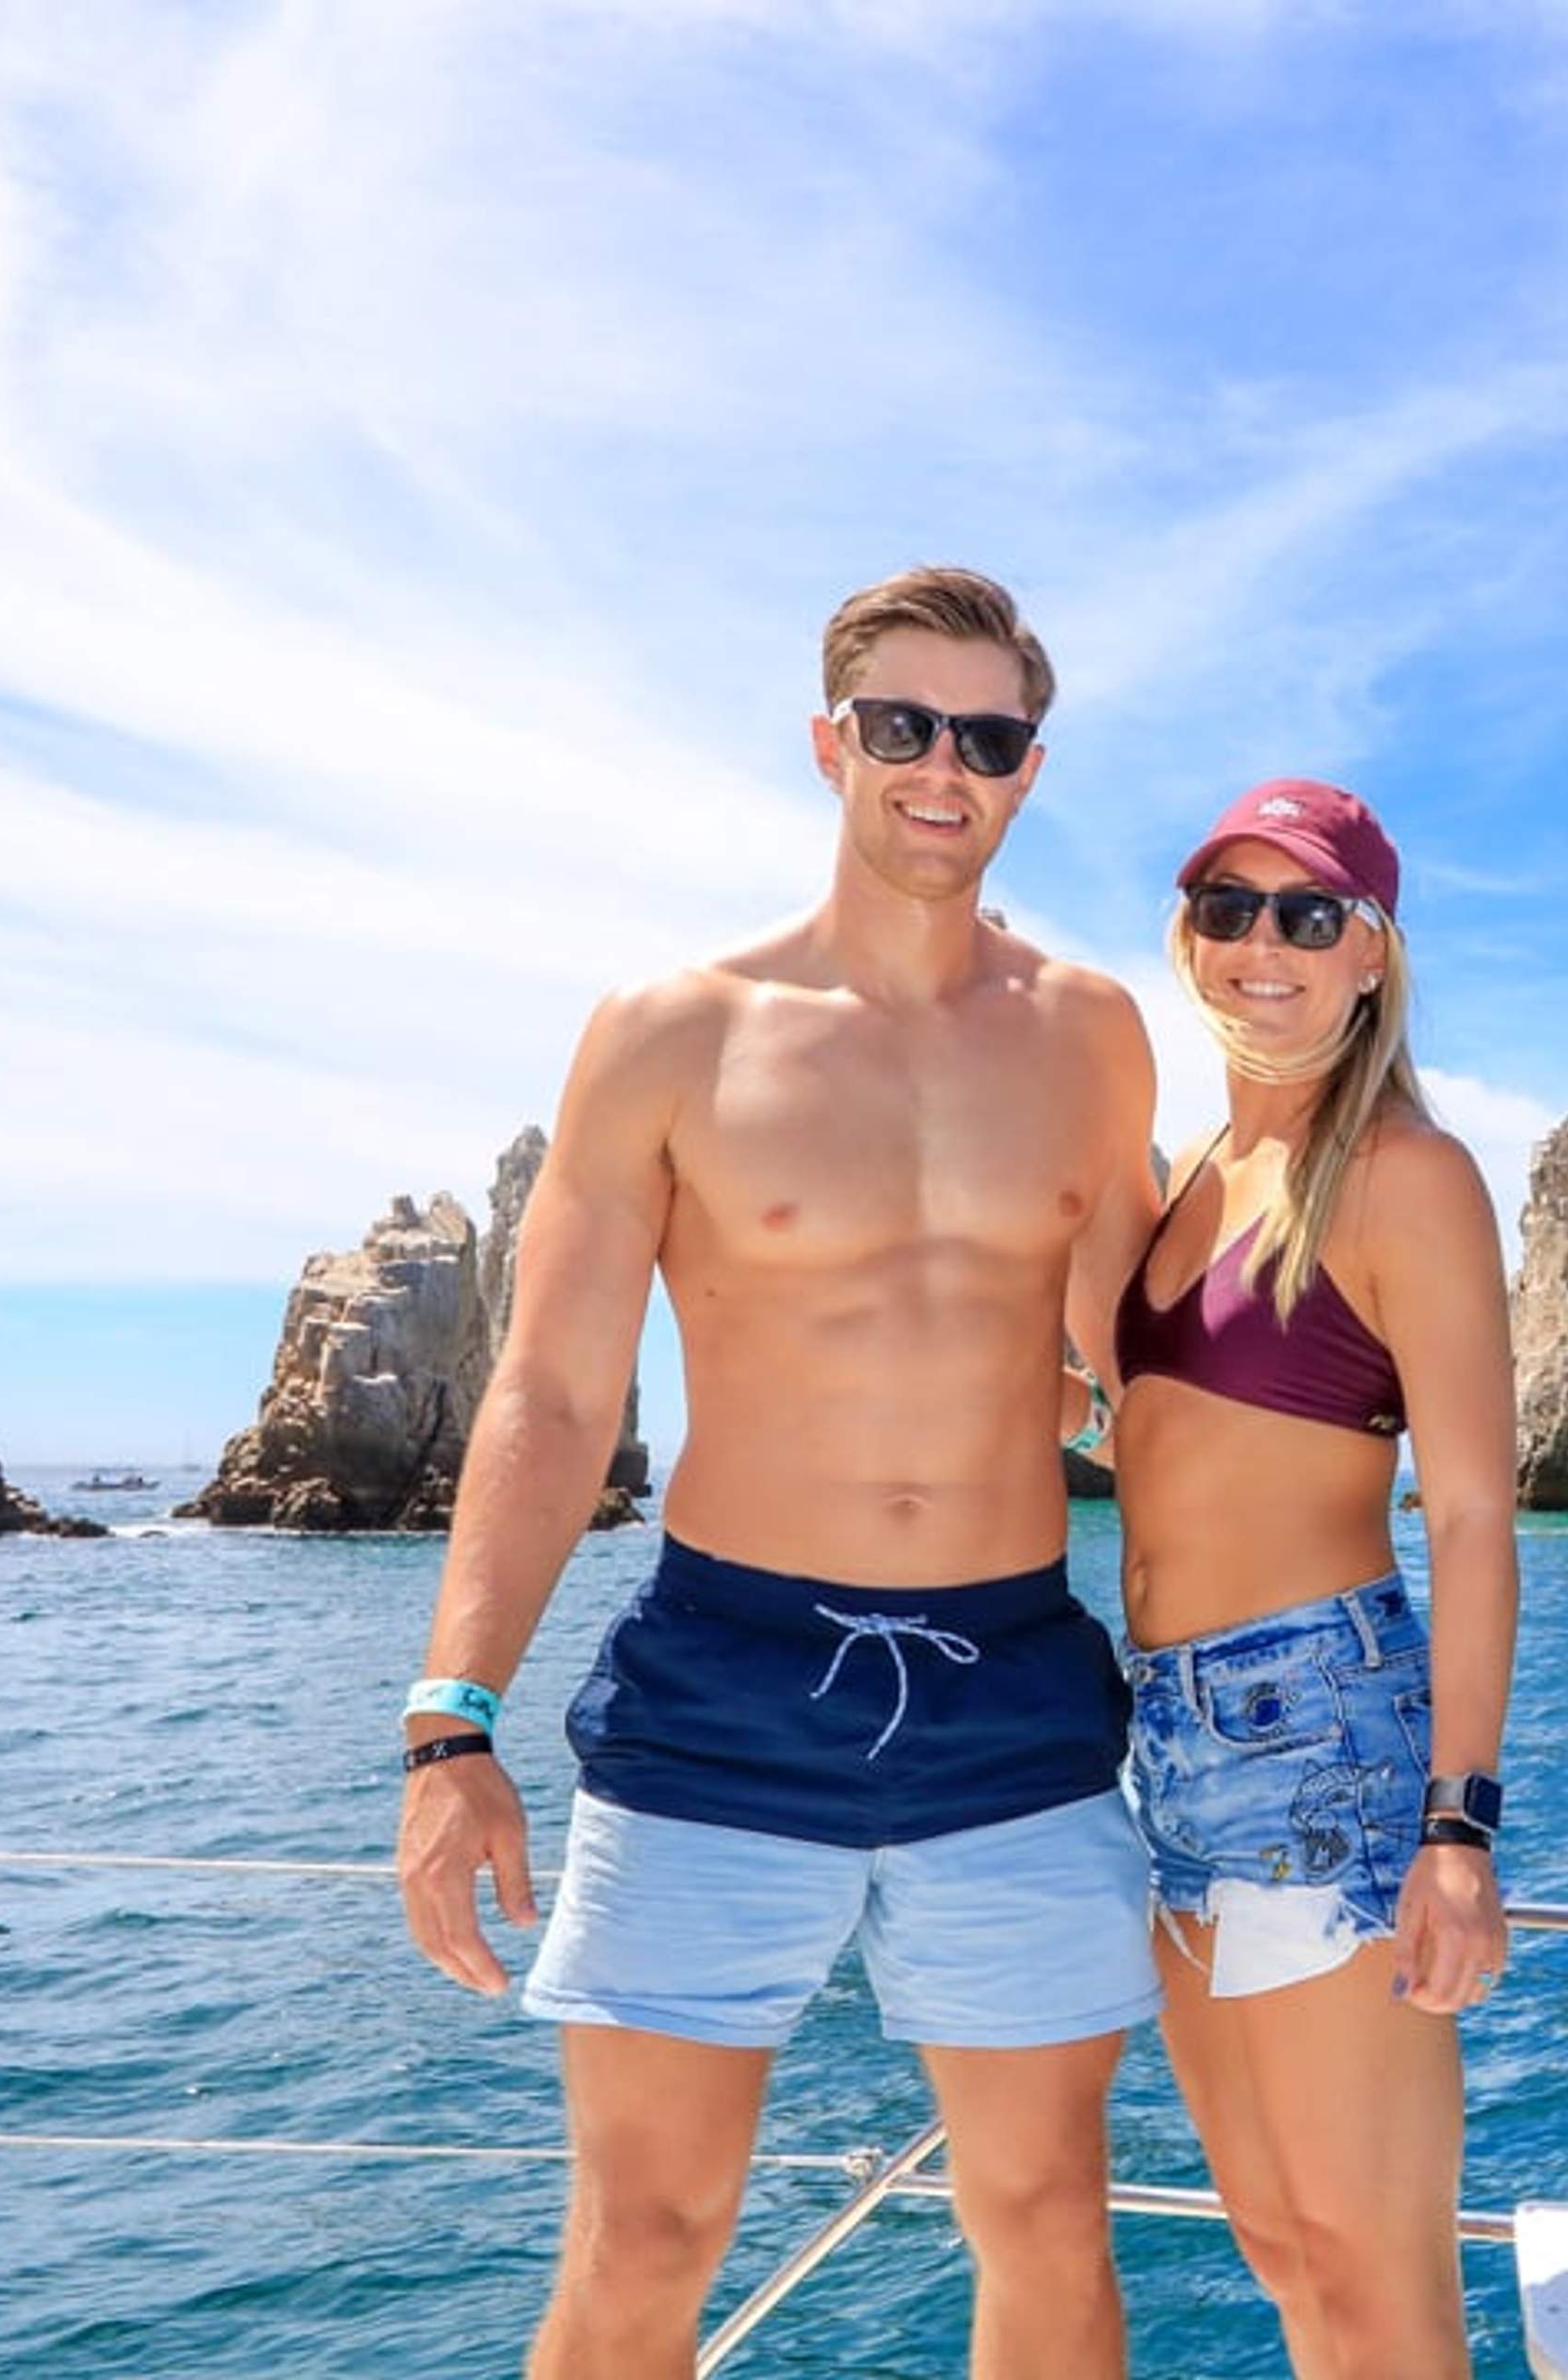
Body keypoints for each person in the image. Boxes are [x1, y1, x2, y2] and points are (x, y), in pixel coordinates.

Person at [394, 566, 1164, 2380]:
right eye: (903, 726)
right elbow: (555, 1387)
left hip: (1016, 1684)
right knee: (648, 2232)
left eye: (987, 737)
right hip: (723, 1675)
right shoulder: (675, 1029)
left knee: (1046, 2216)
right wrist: (450, 1717)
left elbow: (1144, 1386)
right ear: (832, 745)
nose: (940, 767)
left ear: (1028, 772)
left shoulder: (1093, 1035)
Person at [1110, 778, 1518, 2378]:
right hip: (1168, 1744)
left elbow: (1475, 1519)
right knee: (1280, 2249)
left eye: (1308, 913)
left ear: (1373, 955)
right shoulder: (1195, 1175)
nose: (1262, 944)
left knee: (1379, 2283)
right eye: (1229, 908)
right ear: (1188, 940)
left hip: (1323, 1741)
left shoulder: (1407, 1174)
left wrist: (1459, 1828)